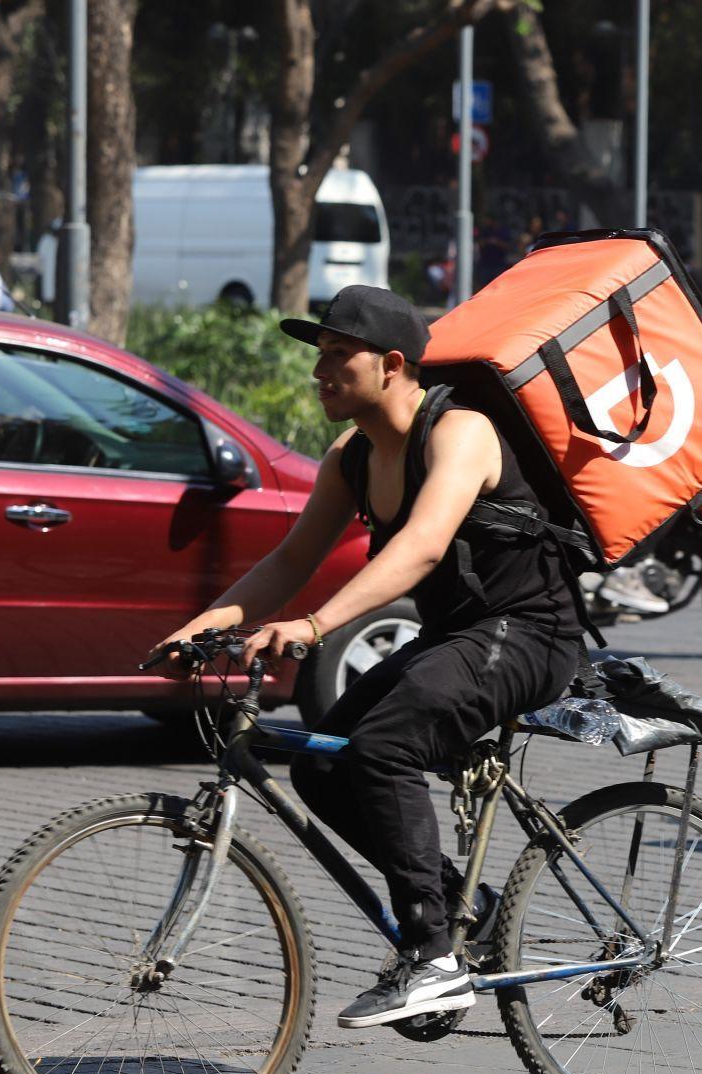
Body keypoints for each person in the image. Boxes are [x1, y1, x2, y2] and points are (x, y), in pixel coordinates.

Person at [149, 285, 584, 1027]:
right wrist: (200, 626)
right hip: (458, 637)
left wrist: (313, 628)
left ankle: (434, 957)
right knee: (322, 763)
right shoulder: (352, 457)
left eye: (336, 356)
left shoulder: (461, 432)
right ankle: (453, 904)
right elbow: (290, 561)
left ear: (391, 365)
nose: (319, 372)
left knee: (385, 745)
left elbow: (419, 548)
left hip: (529, 631)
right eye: (316, 357)